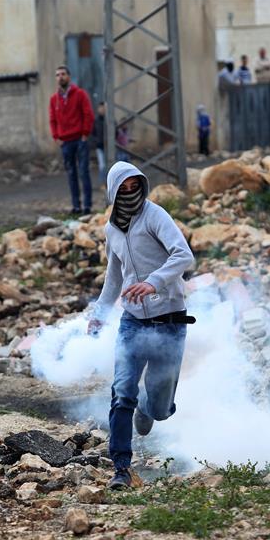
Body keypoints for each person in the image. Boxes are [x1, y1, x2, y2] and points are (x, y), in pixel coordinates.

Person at [87, 161, 195, 490]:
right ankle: (121, 468)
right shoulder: (112, 229)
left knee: (161, 410)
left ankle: (148, 407)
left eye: (136, 186)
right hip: (132, 323)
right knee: (122, 394)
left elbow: (184, 256)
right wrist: (100, 312)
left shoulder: (155, 216)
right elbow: (114, 275)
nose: (131, 192)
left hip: (170, 323)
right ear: (114, 191)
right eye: (125, 187)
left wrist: (153, 282)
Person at [49, 65, 94, 215]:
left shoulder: (80, 94)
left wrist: (85, 134)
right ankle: (76, 206)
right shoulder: (54, 99)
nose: (60, 77)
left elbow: (88, 114)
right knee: (71, 175)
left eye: (62, 74)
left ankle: (87, 206)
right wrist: (56, 137)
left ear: (69, 76)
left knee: (83, 172)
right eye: (57, 75)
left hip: (79, 139)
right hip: (65, 142)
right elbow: (52, 120)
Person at [93, 102, 108, 187]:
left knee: (110, 165)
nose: (102, 110)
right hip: (100, 146)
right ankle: (103, 183)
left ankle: (109, 182)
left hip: (109, 147)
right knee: (102, 166)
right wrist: (96, 141)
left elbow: (115, 130)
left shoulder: (110, 119)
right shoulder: (96, 120)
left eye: (104, 108)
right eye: (101, 108)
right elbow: (93, 132)